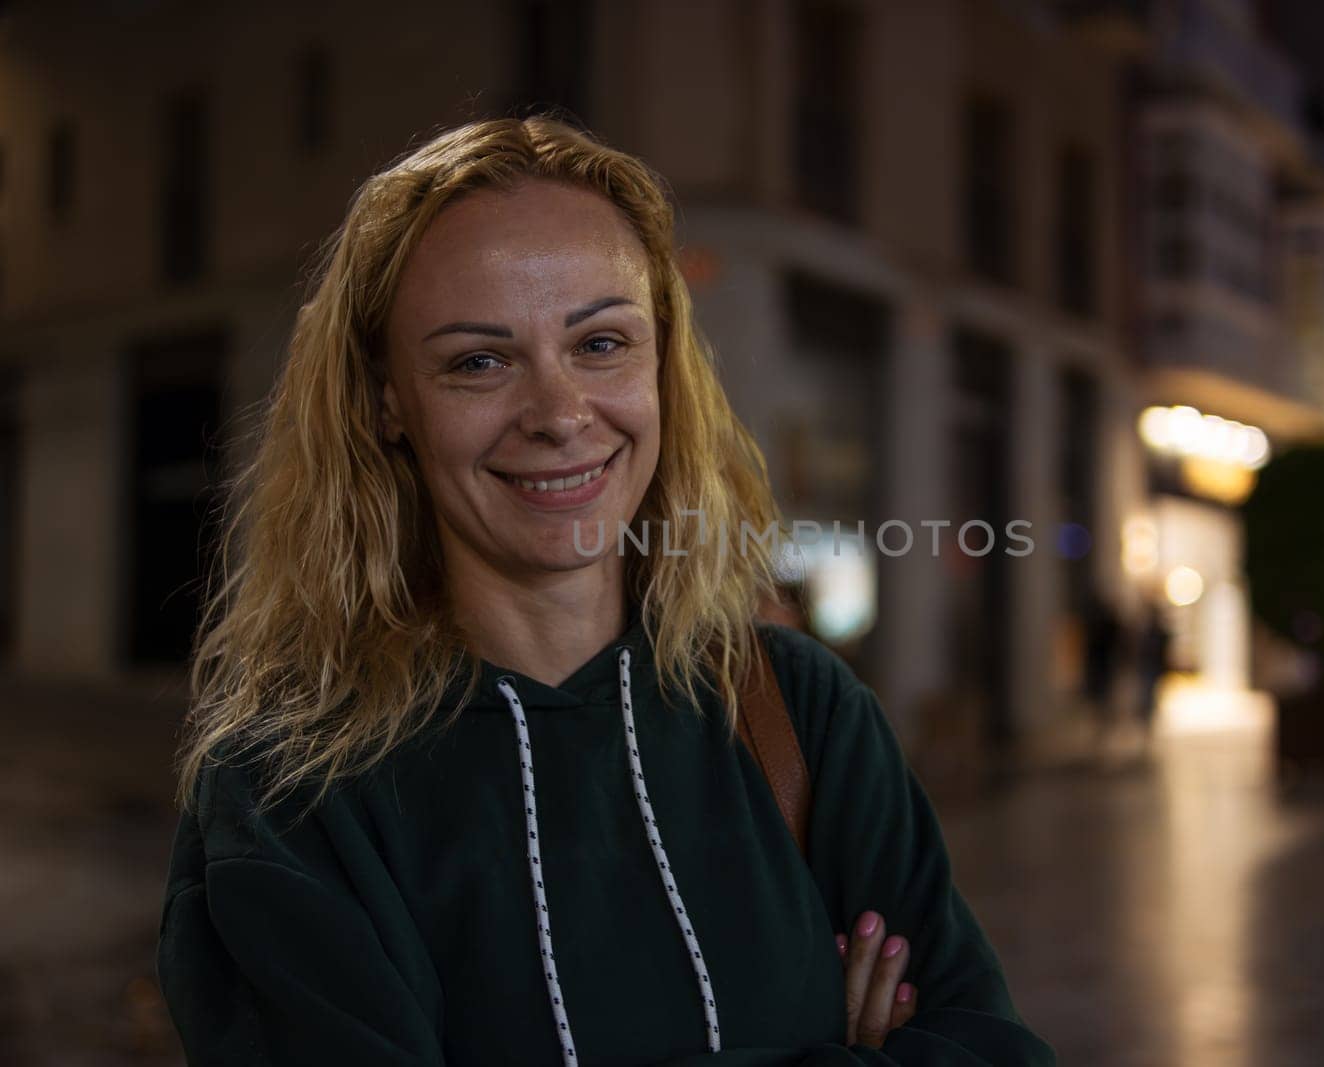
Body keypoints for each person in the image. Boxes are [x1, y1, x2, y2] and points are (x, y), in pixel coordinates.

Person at [156, 116, 1055, 1066]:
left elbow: (994, 1046)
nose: (557, 414)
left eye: (601, 344)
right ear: (385, 400)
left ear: (661, 364)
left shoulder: (798, 708)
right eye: (478, 361)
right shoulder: (290, 794)